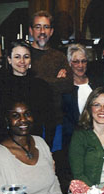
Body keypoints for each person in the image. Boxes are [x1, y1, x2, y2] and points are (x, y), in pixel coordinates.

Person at [0, 99, 62, 194]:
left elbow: (54, 186)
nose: (23, 119)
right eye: (16, 116)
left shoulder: (40, 143)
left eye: (27, 114)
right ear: (7, 120)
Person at [0, 40, 54, 150]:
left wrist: (47, 148)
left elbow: (50, 122)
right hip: (4, 144)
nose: (22, 61)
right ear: (9, 60)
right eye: (17, 57)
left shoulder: (41, 87)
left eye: (26, 57)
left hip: (34, 144)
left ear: (31, 60)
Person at [29, 10, 74, 150]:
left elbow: (68, 84)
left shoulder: (59, 56)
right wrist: (55, 80)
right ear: (31, 30)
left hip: (55, 120)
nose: (42, 31)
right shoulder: (24, 54)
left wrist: (38, 81)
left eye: (46, 27)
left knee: (53, 162)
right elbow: (28, 85)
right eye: (38, 27)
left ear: (52, 31)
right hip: (30, 121)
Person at [62, 43, 97, 147]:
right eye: (76, 62)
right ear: (69, 63)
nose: (80, 66)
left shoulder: (96, 84)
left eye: (83, 61)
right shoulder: (65, 87)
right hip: (73, 140)